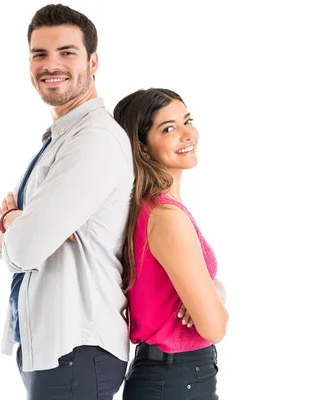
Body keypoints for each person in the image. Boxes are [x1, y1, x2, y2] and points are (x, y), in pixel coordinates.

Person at [0, 4, 133, 399]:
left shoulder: (93, 140)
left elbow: (24, 249)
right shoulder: (61, 139)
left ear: (93, 61)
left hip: (76, 348)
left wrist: (12, 222)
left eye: (67, 52)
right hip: (52, 348)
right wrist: (13, 223)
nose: (52, 65)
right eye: (40, 54)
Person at [113, 88, 229, 399]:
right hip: (177, 378)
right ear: (143, 149)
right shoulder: (166, 217)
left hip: (171, 377)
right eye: (168, 128)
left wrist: (214, 290)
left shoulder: (152, 210)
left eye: (187, 120)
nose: (187, 133)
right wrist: (215, 299)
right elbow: (214, 327)